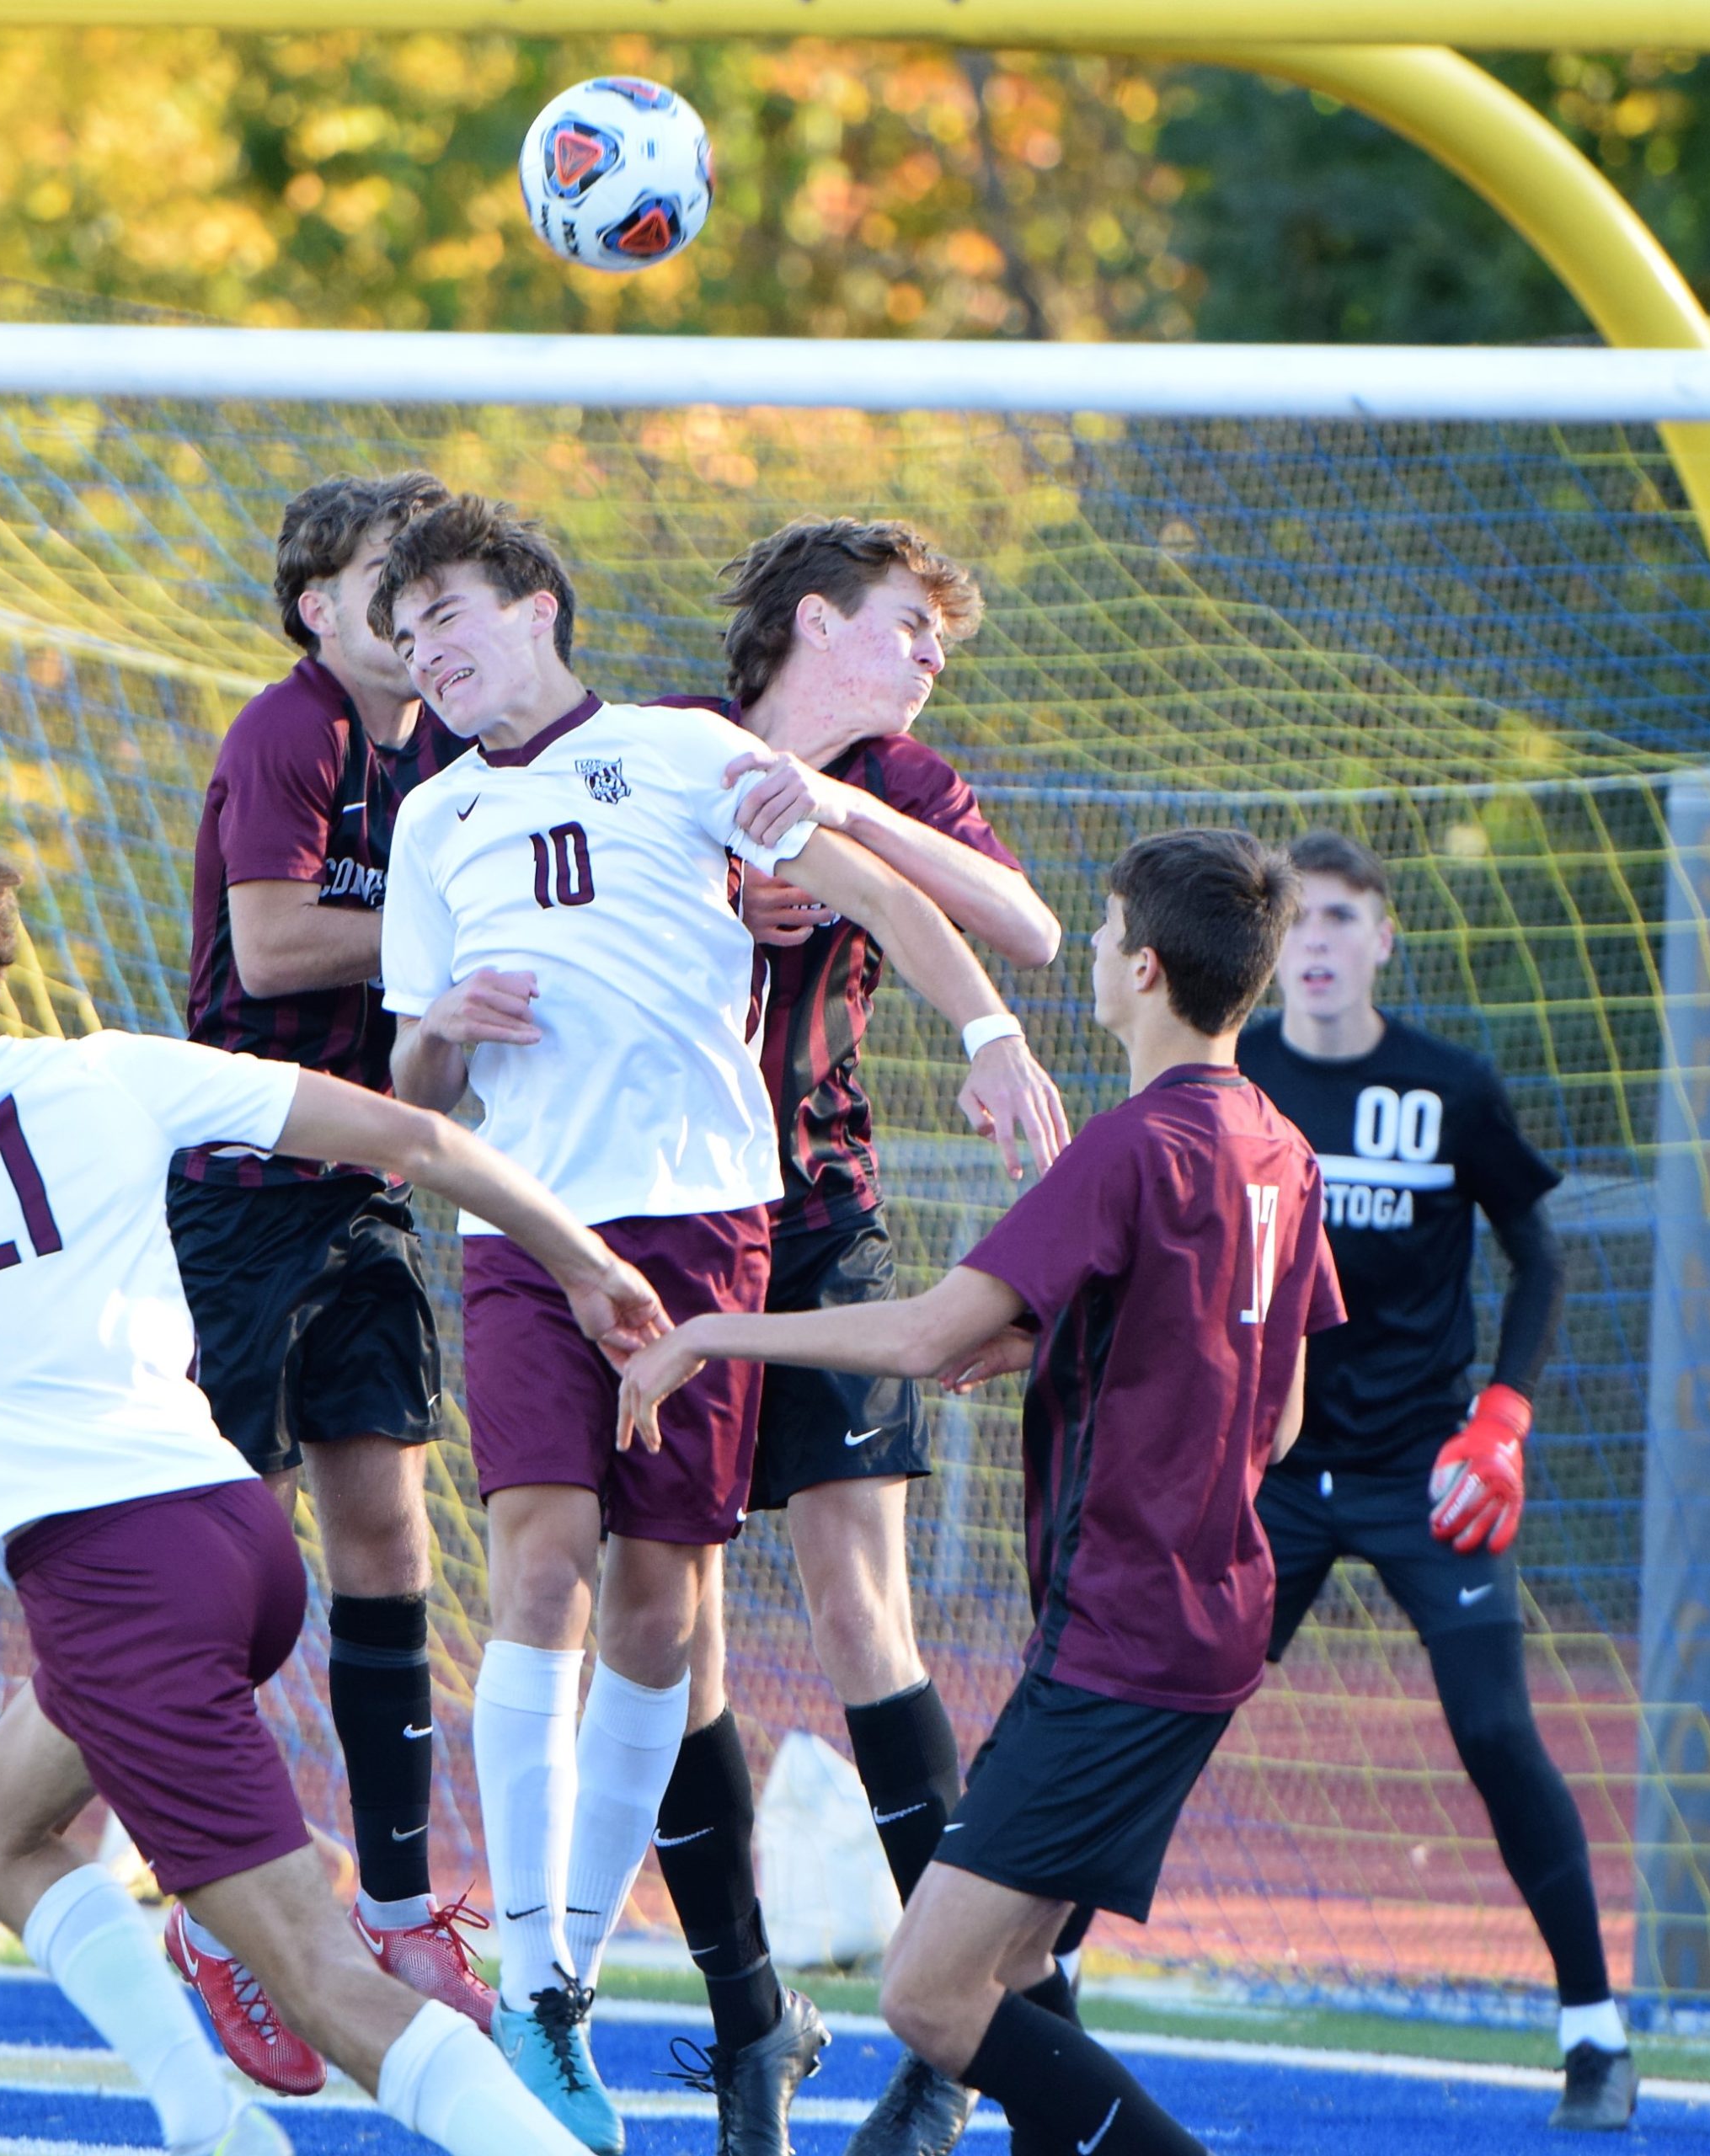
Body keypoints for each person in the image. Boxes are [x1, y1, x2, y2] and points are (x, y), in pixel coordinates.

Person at [0, 803, 669, 2156]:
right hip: (233, 1534)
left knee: (321, 1981)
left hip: (113, 1582)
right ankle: (205, 2120)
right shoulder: (108, 1072)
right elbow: (416, 1140)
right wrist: (585, 1261)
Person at [368, 495, 1068, 2156]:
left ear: (538, 605)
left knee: (669, 1606)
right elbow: (406, 1087)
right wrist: (440, 1035)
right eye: (406, 642)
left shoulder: (689, 756)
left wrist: (981, 1030)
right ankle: (539, 1979)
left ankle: (743, 1998)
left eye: (449, 614)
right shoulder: (432, 815)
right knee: (537, 1553)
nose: (431, 654)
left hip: (709, 1212)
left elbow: (913, 905)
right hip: (521, 1219)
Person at [618, 828, 1343, 2156]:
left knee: (932, 1996)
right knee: (1007, 1977)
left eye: (1105, 932)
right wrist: (1073, 1349)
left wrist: (708, 1335)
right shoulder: (1282, 1151)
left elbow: (917, 1338)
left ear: (1138, 968)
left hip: (1122, 1634)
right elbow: (1279, 1418)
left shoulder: (1131, 1148)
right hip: (1208, 1618)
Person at [648, 516, 1061, 2152]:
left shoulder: (902, 775)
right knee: (671, 1626)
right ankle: (751, 2018)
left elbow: (1021, 928)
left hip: (816, 1210)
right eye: (906, 625)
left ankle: (955, 2036)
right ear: (816, 618)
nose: (928, 653)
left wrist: (839, 822)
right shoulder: (664, 749)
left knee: (856, 1601)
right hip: (658, 1215)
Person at [166, 471, 497, 2060]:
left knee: (387, 1526)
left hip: (366, 1179)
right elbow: (282, 942)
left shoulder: (451, 747)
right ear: (317, 605)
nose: (419, 605)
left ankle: (394, 1903)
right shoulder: (284, 730)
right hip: (239, 1189)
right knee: (226, 1565)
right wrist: (450, 916)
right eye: (391, 577)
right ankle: (212, 1912)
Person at [1235, 829, 1634, 2132]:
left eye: (1345, 920)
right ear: (1272, 944)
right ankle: (1040, 1977)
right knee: (1154, 1705)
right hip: (1276, 1470)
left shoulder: (1450, 1087)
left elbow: (1541, 1253)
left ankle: (1593, 2033)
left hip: (1425, 1473)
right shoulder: (1234, 1074)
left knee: (1495, 1732)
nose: (1320, 944)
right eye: (1300, 921)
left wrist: (1504, 1416)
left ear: (1384, 939)